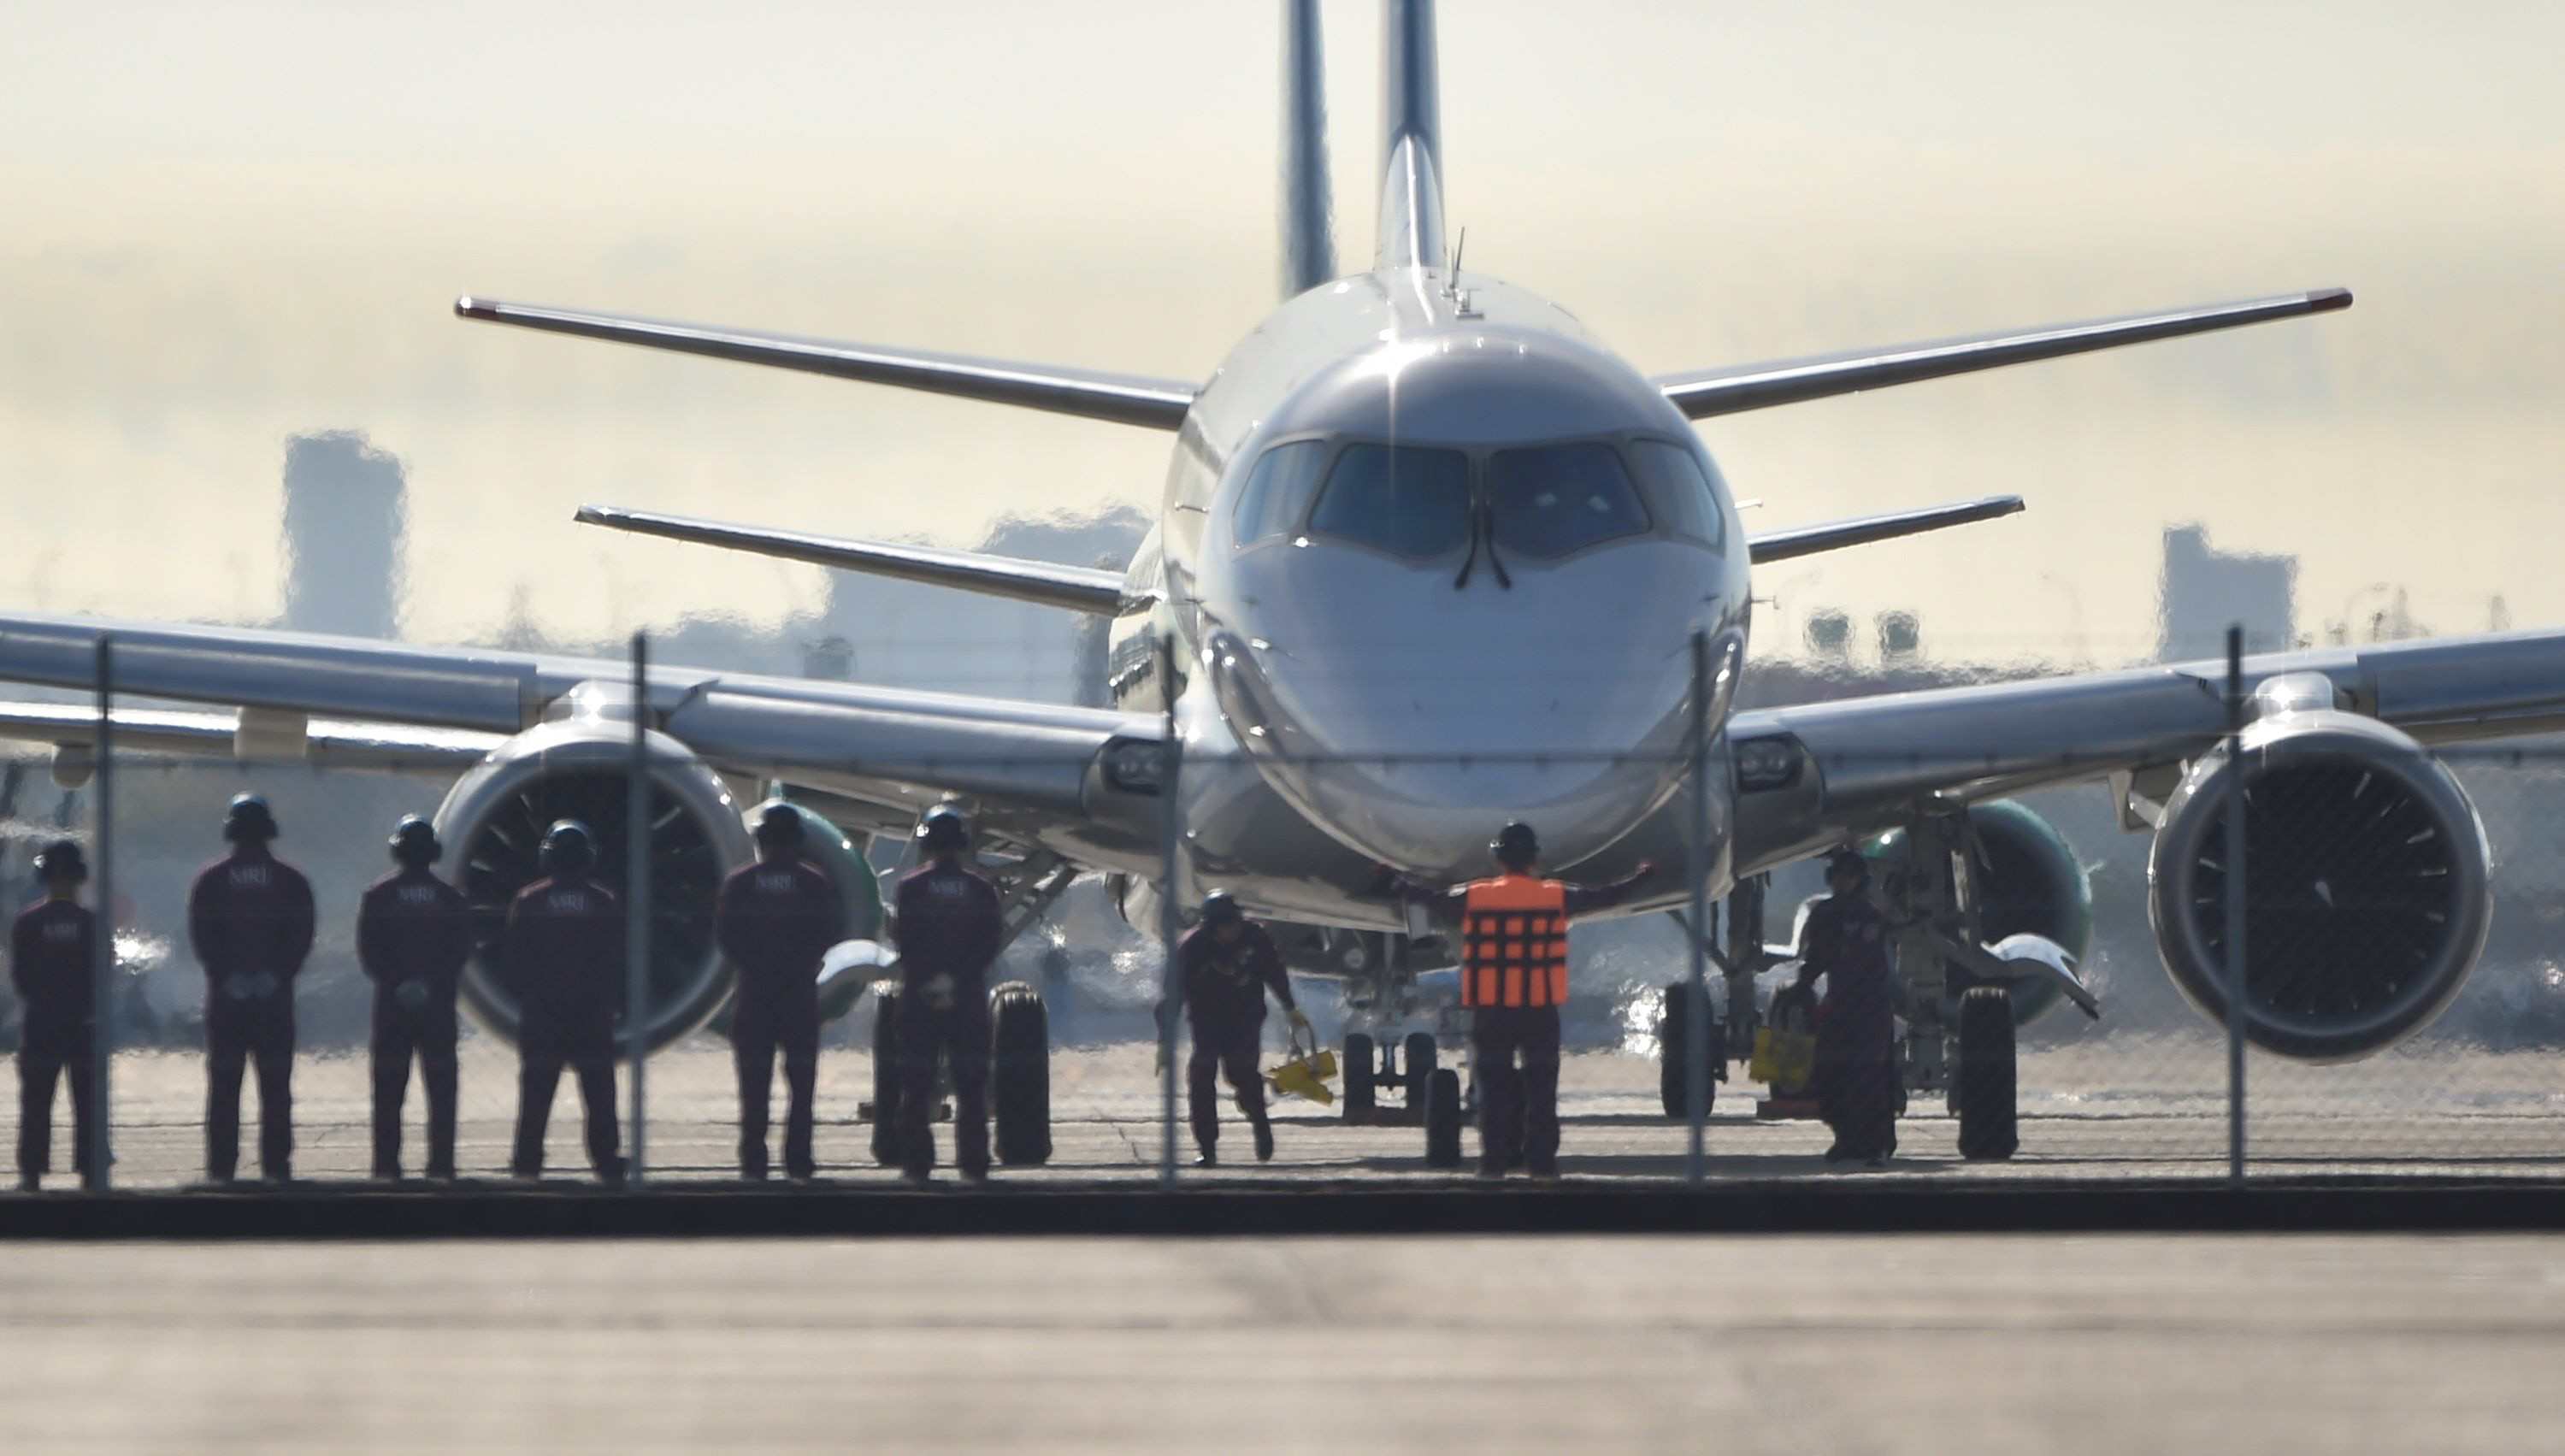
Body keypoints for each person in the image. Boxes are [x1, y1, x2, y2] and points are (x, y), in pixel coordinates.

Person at [1406, 822, 1653, 1182]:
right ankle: (1541, 1166)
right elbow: (1606, 896)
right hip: (1538, 1010)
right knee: (1541, 1093)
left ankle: (1492, 1165)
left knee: (1493, 1091)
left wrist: (1395, 880)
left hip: (1492, 1011)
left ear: (1498, 857)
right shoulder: (1554, 895)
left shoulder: (1477, 895)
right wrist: (1641, 877)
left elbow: (1431, 898)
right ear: (1535, 858)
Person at [188, 793, 315, 1184]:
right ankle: (277, 1166)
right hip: (274, 1001)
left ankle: (221, 1167)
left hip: (227, 1000)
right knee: (276, 1086)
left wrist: (225, 975)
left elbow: (202, 935)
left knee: (225, 1085)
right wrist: (279, 974)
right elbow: (302, 935)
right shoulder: (291, 879)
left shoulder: (211, 878)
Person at [714, 802, 845, 1181]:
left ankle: (754, 1161)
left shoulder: (740, 882)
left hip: (755, 993)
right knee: (801, 1086)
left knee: (754, 1086)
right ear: (798, 841)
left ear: (762, 838)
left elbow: (726, 937)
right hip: (798, 995)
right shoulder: (815, 883)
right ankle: (799, 1161)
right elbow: (827, 933)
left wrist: (759, 966)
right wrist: (796, 967)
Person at [506, 820, 627, 1184]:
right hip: (591, 1015)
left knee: (536, 1093)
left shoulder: (530, 901)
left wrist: (531, 996)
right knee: (600, 1094)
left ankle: (527, 1161)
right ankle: (606, 1159)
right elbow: (616, 958)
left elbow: (514, 959)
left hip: (543, 1014)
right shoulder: (603, 901)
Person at [891, 805, 1001, 1185]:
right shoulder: (981, 889)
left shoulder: (911, 887)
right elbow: (989, 945)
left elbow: (906, 943)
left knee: (916, 1087)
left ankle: (917, 1166)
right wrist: (956, 981)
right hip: (966, 998)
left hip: (921, 998)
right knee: (972, 1088)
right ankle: (973, 1164)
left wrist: (931, 981)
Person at [357, 815, 471, 1182]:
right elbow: (460, 950)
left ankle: (386, 1166)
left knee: (389, 1091)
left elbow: (369, 950)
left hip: (392, 1008)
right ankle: (441, 1165)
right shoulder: (451, 897)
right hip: (437, 1007)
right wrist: (431, 984)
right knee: (441, 1090)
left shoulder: (379, 895)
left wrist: (397, 983)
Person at [1159, 891, 1310, 1167]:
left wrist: (1290, 1007)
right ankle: (1207, 1147)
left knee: (1241, 1074)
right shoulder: (1192, 948)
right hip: (1206, 1020)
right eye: (1227, 925)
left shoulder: (1255, 938)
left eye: (1235, 923)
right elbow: (1171, 997)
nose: (1233, 929)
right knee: (1202, 1076)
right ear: (1212, 927)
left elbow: (1274, 973)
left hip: (1245, 1019)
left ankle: (1259, 1121)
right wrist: (1164, 1040)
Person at [1784, 848, 1898, 1166]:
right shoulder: (1824, 915)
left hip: (1869, 1008)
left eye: (1850, 876)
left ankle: (1877, 1146)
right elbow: (1817, 958)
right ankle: (1846, 1137)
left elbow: (1858, 963)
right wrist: (1798, 989)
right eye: (1839, 875)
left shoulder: (1871, 918)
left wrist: (1832, 998)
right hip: (1839, 1008)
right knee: (1828, 1074)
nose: (1843, 881)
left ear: (1860, 880)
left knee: (1867, 1077)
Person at [12, 840, 97, 1191]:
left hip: (43, 1021)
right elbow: (101, 976)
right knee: (84, 1100)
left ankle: (33, 1172)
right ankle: (91, 1171)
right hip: (81, 1023)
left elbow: (21, 976)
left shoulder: (28, 922)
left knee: (39, 1100)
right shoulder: (91, 923)